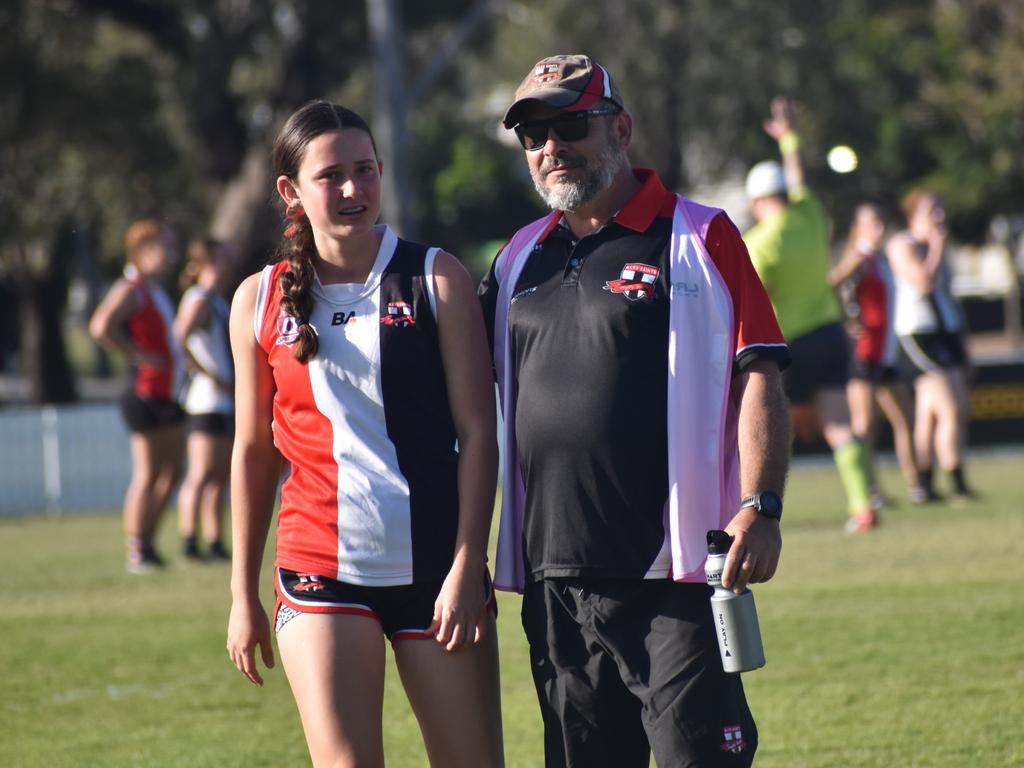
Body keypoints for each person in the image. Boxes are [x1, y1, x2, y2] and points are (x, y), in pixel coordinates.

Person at [479, 55, 791, 767]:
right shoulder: (516, 258)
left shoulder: (702, 235)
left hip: (674, 581)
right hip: (552, 578)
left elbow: (762, 373)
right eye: (533, 135)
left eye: (570, 125)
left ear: (620, 128)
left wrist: (762, 505)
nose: (551, 147)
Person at [226, 100, 504, 768]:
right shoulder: (258, 300)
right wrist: (241, 594)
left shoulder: (437, 277)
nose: (353, 189)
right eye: (331, 176)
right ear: (291, 191)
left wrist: (469, 563)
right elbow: (253, 452)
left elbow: (479, 432)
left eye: (364, 170)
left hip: (437, 573)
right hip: (319, 570)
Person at [744, 97, 877, 533]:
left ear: (758, 199)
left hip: (788, 343)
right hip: (828, 334)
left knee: (775, 432)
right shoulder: (811, 216)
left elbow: (753, 299)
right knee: (839, 424)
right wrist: (790, 140)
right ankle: (862, 505)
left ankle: (764, 513)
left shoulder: (759, 242)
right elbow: (799, 181)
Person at [89, 219, 185, 572]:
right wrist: (137, 354)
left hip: (166, 393)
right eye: (165, 246)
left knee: (173, 470)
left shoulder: (153, 288)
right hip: (144, 392)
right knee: (148, 472)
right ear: (143, 250)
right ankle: (137, 548)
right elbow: (101, 326)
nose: (171, 254)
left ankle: (147, 541)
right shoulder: (131, 287)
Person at [828, 203, 926, 505]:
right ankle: (869, 492)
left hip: (885, 355)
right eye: (874, 222)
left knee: (905, 418)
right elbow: (832, 284)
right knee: (865, 426)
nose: (880, 228)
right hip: (863, 353)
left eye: (882, 221)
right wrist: (847, 321)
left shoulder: (879, 260)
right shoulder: (859, 257)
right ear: (859, 227)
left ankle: (918, 486)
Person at [887, 189, 973, 501]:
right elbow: (923, 282)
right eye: (931, 211)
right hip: (917, 334)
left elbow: (949, 296)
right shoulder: (903, 244)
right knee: (951, 407)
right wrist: (935, 246)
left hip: (944, 332)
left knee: (933, 411)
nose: (939, 217)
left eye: (941, 210)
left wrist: (963, 343)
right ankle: (956, 480)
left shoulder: (941, 248)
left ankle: (923, 484)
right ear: (913, 217)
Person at [174, 238, 237, 561]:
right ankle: (189, 540)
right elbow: (179, 338)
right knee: (200, 473)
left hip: (224, 401)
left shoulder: (218, 301)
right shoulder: (197, 299)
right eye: (224, 258)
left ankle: (214, 541)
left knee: (220, 475)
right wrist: (209, 374)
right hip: (205, 401)